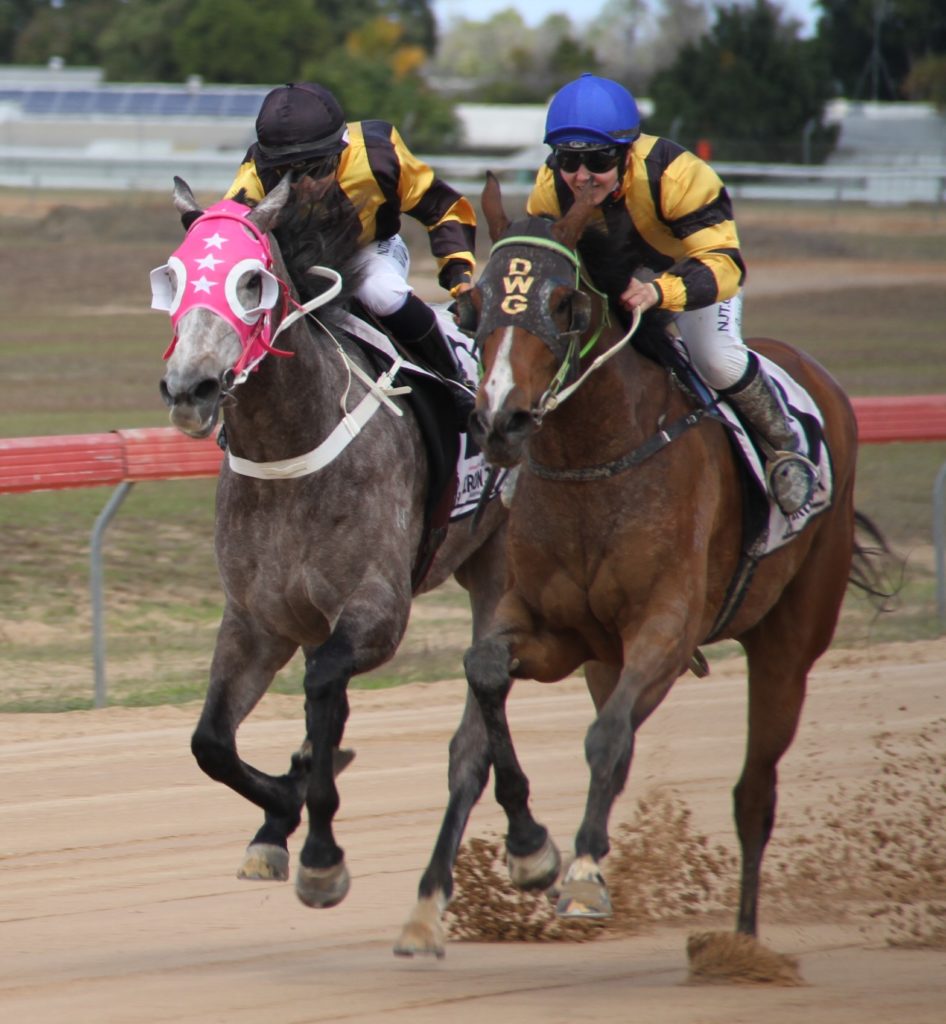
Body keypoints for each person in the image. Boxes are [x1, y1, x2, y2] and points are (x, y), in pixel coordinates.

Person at [527, 73, 816, 515]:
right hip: (614, 284)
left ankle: (784, 445)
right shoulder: (551, 185)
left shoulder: (677, 174)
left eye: (599, 159)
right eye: (568, 159)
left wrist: (659, 293)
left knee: (716, 357)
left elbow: (726, 266)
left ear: (626, 152)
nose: (582, 177)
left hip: (692, 278)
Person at [224, 81, 476, 421]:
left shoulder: (378, 154)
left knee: (381, 293)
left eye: (318, 168)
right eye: (288, 173)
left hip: (370, 249)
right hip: (299, 266)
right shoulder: (253, 179)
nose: (306, 185)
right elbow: (229, 241)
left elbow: (443, 208)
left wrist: (459, 278)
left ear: (341, 150)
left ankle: (454, 380)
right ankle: (235, 409)